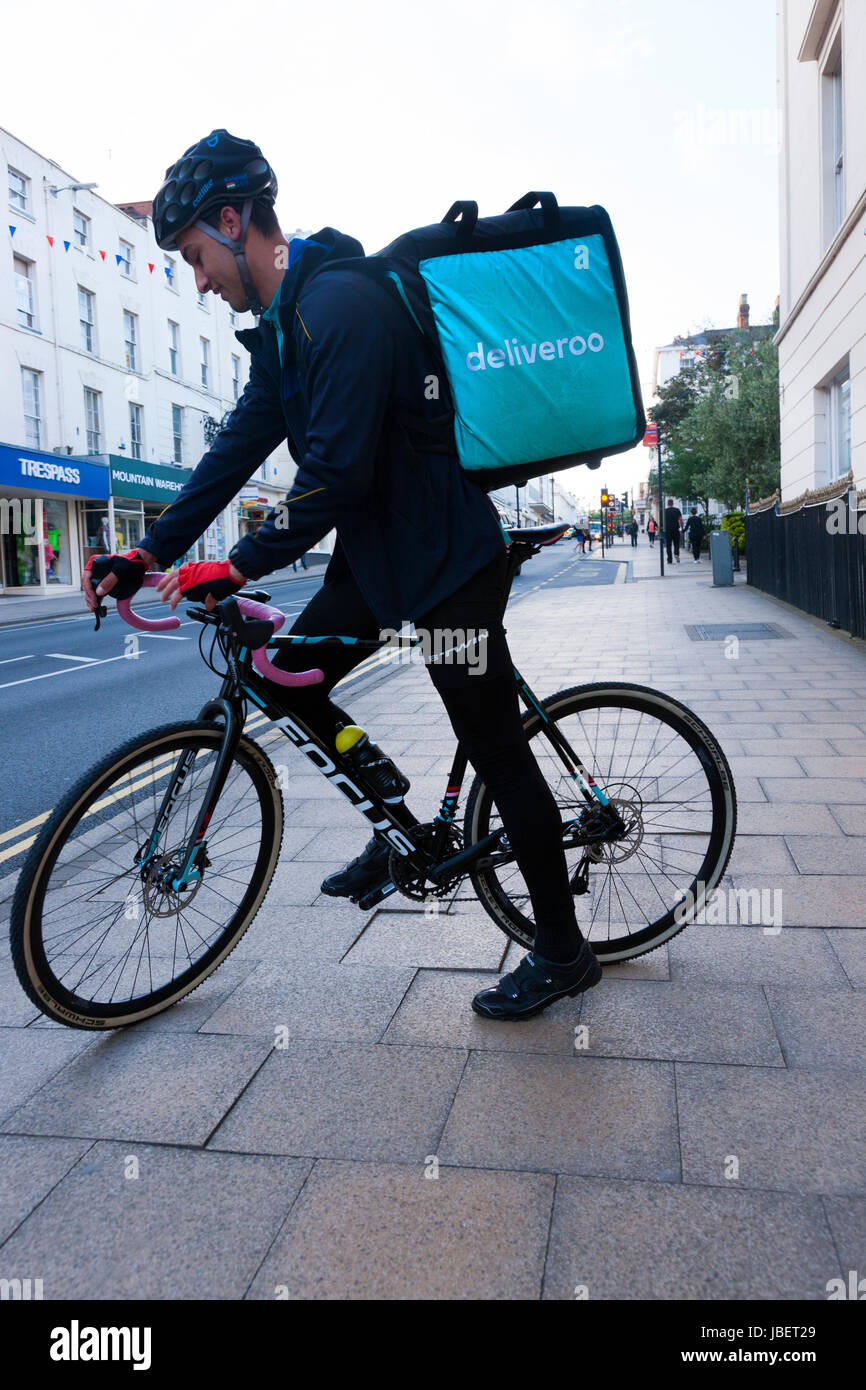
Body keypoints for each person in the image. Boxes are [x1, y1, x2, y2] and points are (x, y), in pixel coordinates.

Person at [81, 129, 601, 1021]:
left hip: (447, 564)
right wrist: (150, 551)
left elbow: (332, 476)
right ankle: (393, 818)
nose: (199, 281)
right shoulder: (289, 326)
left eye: (198, 258)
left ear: (236, 223)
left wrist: (236, 564)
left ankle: (562, 948)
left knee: (492, 745)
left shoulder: (343, 309)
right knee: (284, 671)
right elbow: (238, 446)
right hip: (380, 561)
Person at [664, 498, 683, 564]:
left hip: (667, 530)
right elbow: (680, 520)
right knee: (676, 543)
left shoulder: (665, 511)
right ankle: (676, 554)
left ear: (667, 504)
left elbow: (662, 521)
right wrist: (682, 528)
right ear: (673, 503)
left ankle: (669, 560)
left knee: (668, 545)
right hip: (676, 529)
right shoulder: (677, 510)